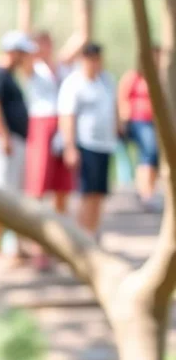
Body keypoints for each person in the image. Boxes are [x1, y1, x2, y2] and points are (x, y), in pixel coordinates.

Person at [23, 30, 82, 270]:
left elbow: (81, 36)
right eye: (40, 44)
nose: (45, 48)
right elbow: (22, 35)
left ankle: (61, 245)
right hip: (41, 125)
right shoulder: (32, 70)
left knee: (62, 190)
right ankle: (37, 247)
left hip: (63, 127)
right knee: (37, 190)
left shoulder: (65, 69)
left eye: (48, 43)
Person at [0, 30, 36, 265]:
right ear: (13, 52)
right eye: (23, 53)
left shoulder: (9, 76)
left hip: (12, 143)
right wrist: (3, 135)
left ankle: (13, 248)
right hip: (3, 143)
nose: (25, 58)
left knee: (12, 196)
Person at [58, 43, 118, 237]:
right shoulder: (74, 83)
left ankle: (93, 233)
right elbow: (67, 116)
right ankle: (82, 237)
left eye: (97, 59)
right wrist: (70, 147)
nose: (94, 63)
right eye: (90, 59)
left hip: (105, 144)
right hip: (85, 144)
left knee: (99, 193)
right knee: (86, 193)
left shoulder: (106, 80)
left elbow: (113, 107)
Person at [118, 45, 162, 211]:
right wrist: (123, 122)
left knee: (152, 156)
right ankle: (145, 192)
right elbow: (122, 98)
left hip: (154, 122)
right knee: (148, 152)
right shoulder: (133, 77)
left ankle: (149, 190)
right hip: (138, 120)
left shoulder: (160, 77)